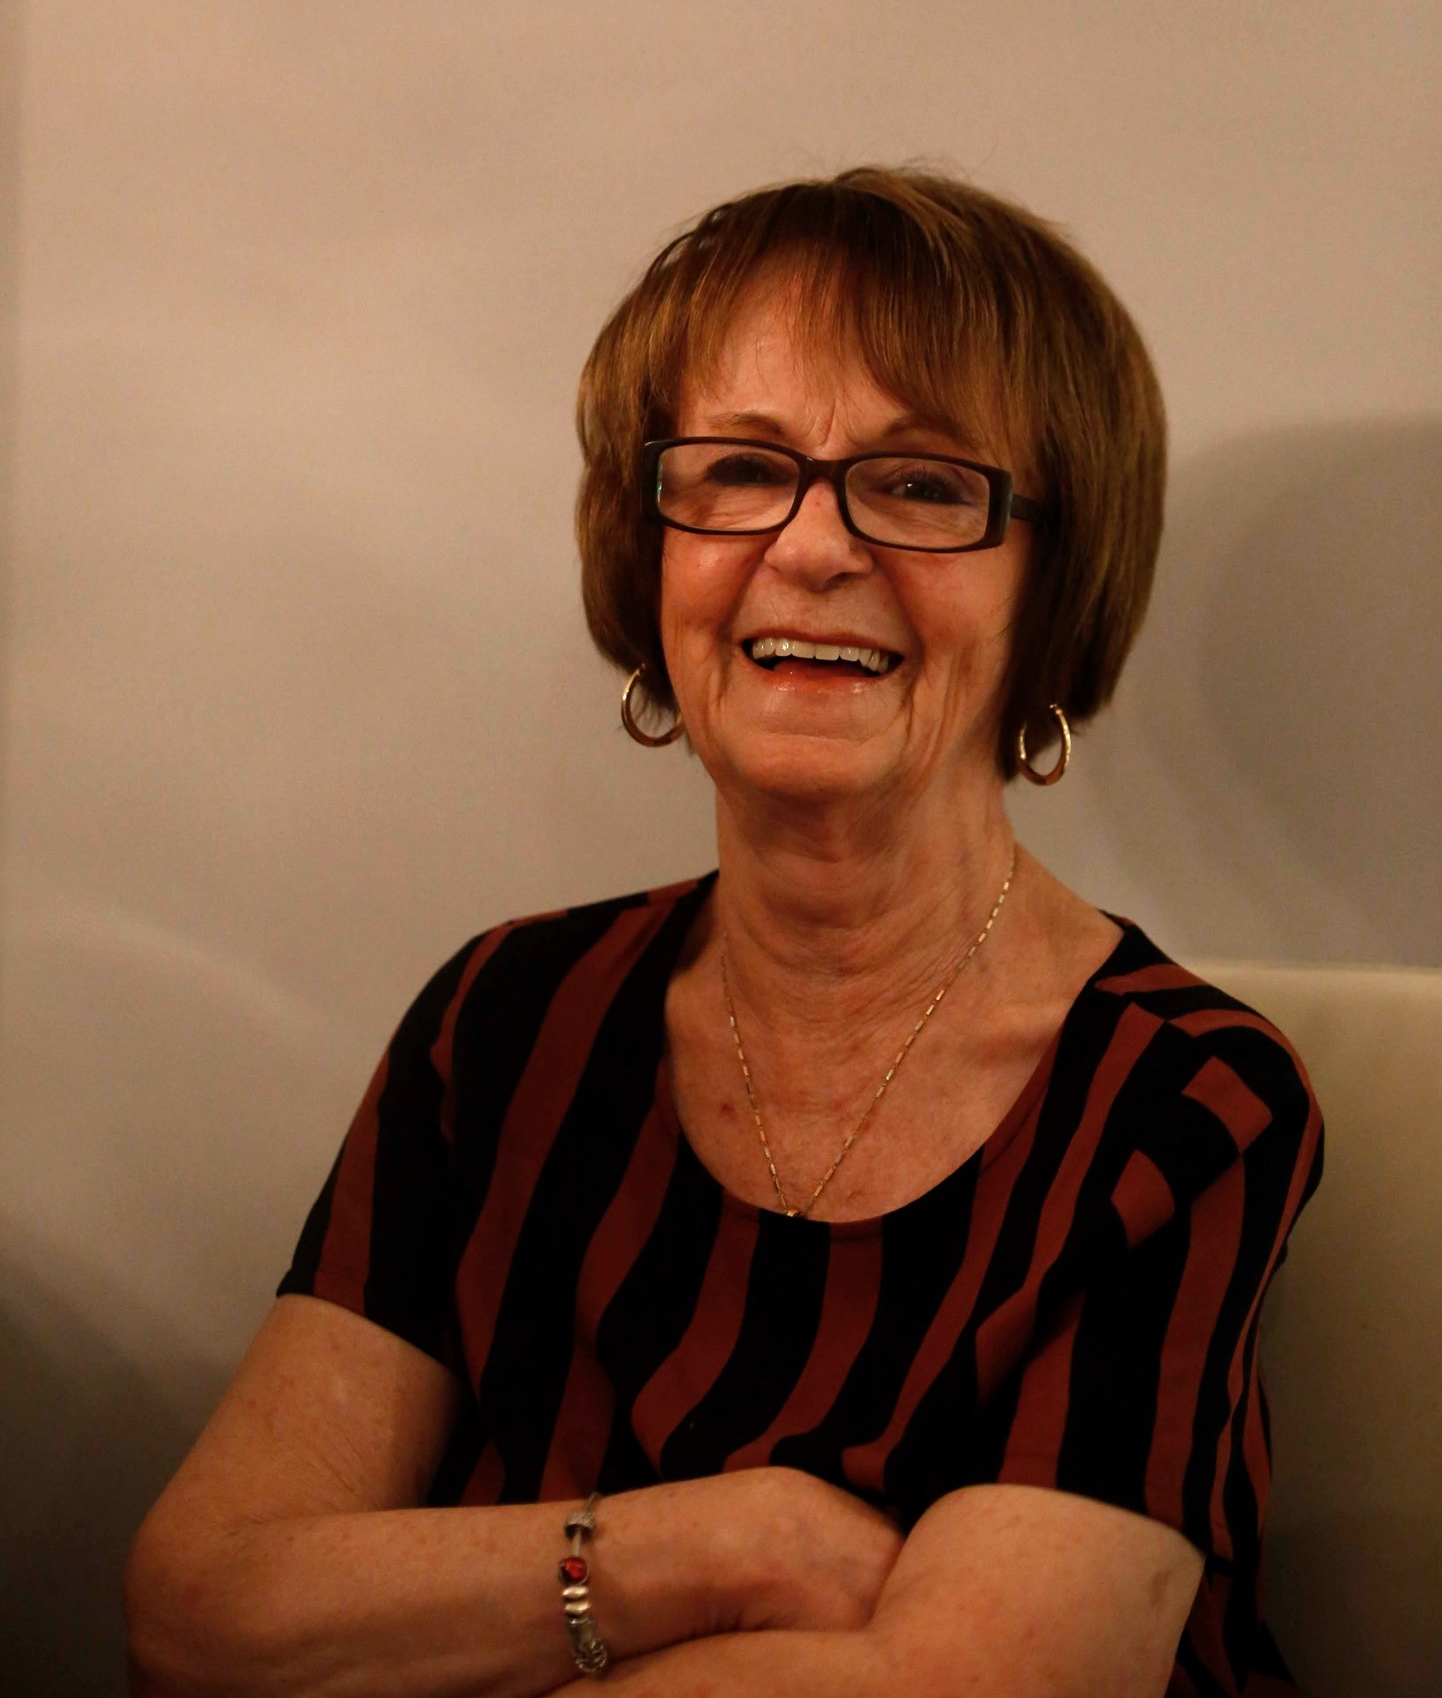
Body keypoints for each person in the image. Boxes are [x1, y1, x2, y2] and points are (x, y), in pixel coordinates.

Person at [125, 167, 1322, 1697]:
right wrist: (737, 1544)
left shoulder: (1181, 1104)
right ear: (650, 548)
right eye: (741, 470)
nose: (811, 549)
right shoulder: (507, 1018)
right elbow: (202, 1612)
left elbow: (960, 1687)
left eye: (921, 485)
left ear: (1054, 580)